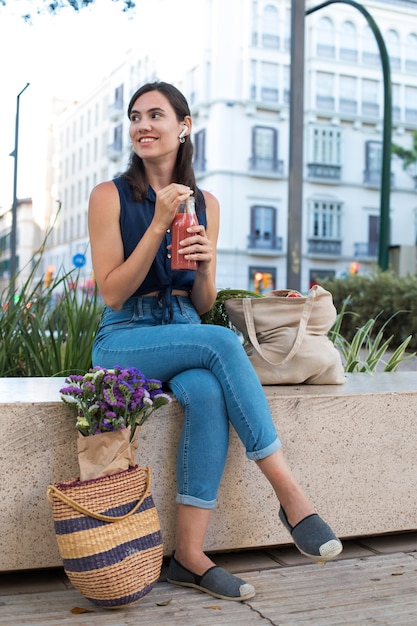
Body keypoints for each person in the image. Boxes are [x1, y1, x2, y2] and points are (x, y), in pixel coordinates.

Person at [88, 81, 343, 602]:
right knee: (220, 346)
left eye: (156, 115)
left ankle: (189, 556)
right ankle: (291, 496)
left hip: (185, 325)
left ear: (183, 127)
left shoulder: (206, 203)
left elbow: (203, 304)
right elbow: (113, 293)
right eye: (135, 117)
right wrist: (158, 224)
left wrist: (204, 266)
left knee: (205, 392)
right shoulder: (108, 195)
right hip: (125, 337)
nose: (143, 126)